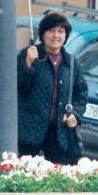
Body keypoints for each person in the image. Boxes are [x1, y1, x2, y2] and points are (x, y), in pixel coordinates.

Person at [17, 12, 87, 164]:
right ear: (43, 34)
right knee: (24, 172)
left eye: (61, 31)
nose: (56, 35)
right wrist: (28, 64)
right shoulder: (28, 55)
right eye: (51, 31)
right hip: (29, 131)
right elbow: (19, 88)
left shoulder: (72, 63)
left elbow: (81, 94)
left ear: (66, 36)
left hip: (59, 133)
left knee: (58, 174)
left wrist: (75, 115)